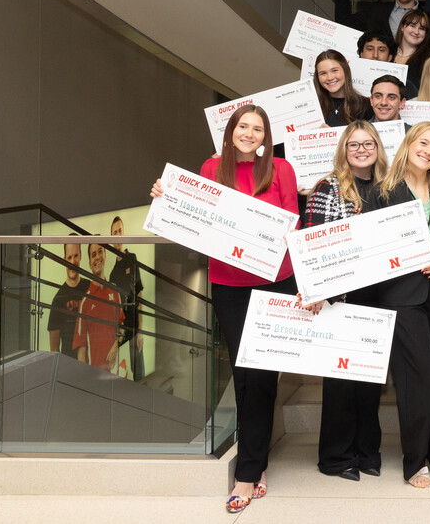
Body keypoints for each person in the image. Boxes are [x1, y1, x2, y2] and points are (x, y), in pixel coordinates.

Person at [149, 106, 299, 513]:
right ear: (230, 132)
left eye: (258, 128)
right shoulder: (211, 168)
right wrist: (168, 197)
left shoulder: (282, 169)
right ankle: (257, 459)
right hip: (229, 284)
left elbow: (293, 223)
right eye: (243, 127)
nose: (249, 134)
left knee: (265, 377)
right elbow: (198, 214)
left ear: (267, 136)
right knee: (244, 373)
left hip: (275, 282)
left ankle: (248, 472)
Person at [366, 122, 430, 489]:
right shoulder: (382, 192)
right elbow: (371, 247)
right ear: (409, 144)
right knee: (423, 377)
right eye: (423, 143)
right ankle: (415, 460)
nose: (428, 151)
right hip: (402, 295)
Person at [300, 120, 389, 482]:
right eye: (354, 145)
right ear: (344, 149)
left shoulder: (390, 186)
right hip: (341, 295)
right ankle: (336, 457)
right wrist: (316, 286)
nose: (361, 150)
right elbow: (312, 236)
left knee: (370, 380)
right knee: (340, 380)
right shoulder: (328, 186)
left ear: (378, 147)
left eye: (368, 143)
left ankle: (368, 452)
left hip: (380, 294)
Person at [73, 243, 123, 371]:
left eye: (100, 252)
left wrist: (115, 347)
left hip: (115, 373)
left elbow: (122, 330)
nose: (97, 257)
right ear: (89, 263)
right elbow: (81, 350)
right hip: (94, 375)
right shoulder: (85, 302)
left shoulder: (115, 292)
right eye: (93, 255)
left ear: (105, 255)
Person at [109, 216, 145, 380]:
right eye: (114, 232)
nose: (118, 235)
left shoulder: (132, 259)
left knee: (138, 372)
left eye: (120, 230)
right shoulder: (112, 274)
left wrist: (141, 330)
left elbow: (139, 294)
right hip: (122, 328)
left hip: (134, 325)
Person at [48, 242, 88, 358]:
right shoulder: (58, 300)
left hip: (93, 365)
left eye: (76, 256)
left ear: (80, 256)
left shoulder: (91, 287)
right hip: (70, 367)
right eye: (69, 257)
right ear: (64, 259)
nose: (72, 262)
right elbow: (54, 350)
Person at [313, 49, 370, 126]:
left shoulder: (365, 105)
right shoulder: (312, 106)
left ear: (345, 71)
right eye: (323, 73)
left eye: (334, 70)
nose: (330, 77)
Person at [393, 9, 430, 97]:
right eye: (412, 26)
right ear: (402, 27)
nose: (416, 32)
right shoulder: (388, 51)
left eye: (421, 28)